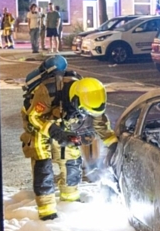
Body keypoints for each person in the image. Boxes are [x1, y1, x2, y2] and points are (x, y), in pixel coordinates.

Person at [20, 70, 117, 220]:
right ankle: (47, 212)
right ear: (75, 100)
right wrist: (56, 133)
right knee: (43, 167)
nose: (86, 114)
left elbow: (100, 123)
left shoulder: (90, 97)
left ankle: (70, 202)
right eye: (84, 110)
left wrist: (112, 142)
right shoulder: (47, 90)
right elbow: (33, 117)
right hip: (40, 126)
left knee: (72, 163)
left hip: (64, 124)